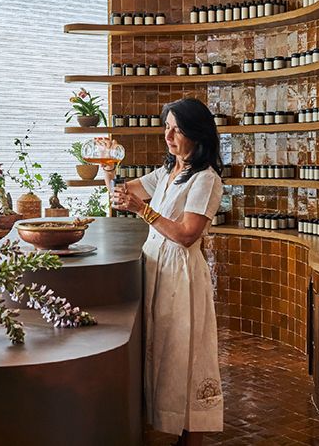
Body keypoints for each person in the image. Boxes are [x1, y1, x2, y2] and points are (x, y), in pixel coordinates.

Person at [104, 97, 223, 446]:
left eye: (177, 129)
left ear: (197, 134)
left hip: (181, 276)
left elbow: (187, 234)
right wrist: (109, 169)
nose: (168, 136)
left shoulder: (205, 179)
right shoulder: (169, 172)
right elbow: (122, 193)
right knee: (165, 354)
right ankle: (172, 431)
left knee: (187, 355)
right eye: (166, 127)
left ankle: (193, 438)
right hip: (157, 271)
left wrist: (143, 210)